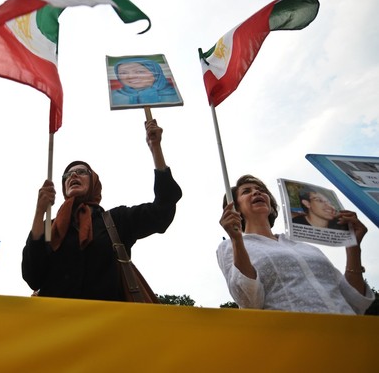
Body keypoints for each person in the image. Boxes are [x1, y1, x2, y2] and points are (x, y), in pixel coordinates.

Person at [22, 120, 182, 301]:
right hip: (58, 325)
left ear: (94, 183)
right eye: (67, 175)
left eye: (82, 171)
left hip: (110, 326)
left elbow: (162, 211)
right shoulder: (51, 228)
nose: (73, 175)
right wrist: (39, 212)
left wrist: (156, 149)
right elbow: (32, 276)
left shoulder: (116, 220)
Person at [217, 174, 375, 314]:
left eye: (261, 190)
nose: (257, 192)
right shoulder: (231, 246)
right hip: (295, 339)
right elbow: (249, 302)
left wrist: (353, 246)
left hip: (350, 335)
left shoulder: (303, 246)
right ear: (235, 208)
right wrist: (237, 239)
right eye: (246, 191)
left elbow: (355, 303)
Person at [111, 58, 179, 105]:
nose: (131, 76)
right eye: (123, 73)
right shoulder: (113, 97)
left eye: (140, 71)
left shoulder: (175, 95)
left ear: (156, 73)